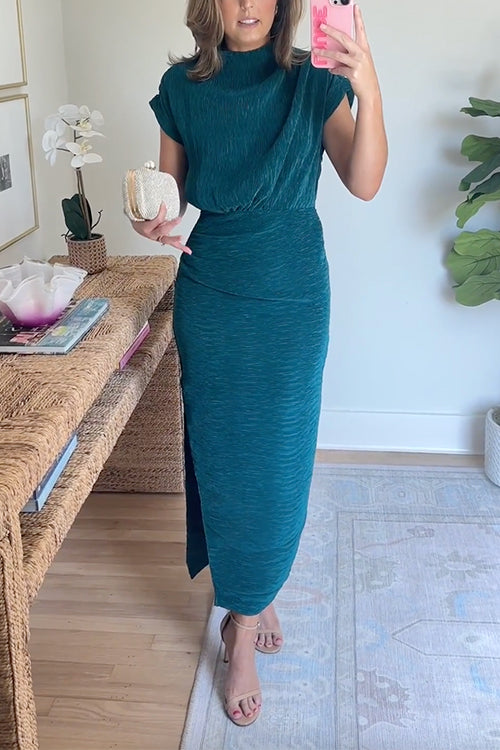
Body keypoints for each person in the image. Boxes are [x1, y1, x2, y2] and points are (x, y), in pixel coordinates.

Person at [132, 0, 387, 728]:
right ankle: (245, 611)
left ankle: (247, 606)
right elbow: (171, 196)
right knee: (224, 461)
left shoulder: (314, 80)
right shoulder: (181, 88)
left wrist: (368, 86)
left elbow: (364, 181)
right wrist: (150, 219)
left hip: (291, 294)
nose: (248, 4)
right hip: (212, 294)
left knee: (278, 464)